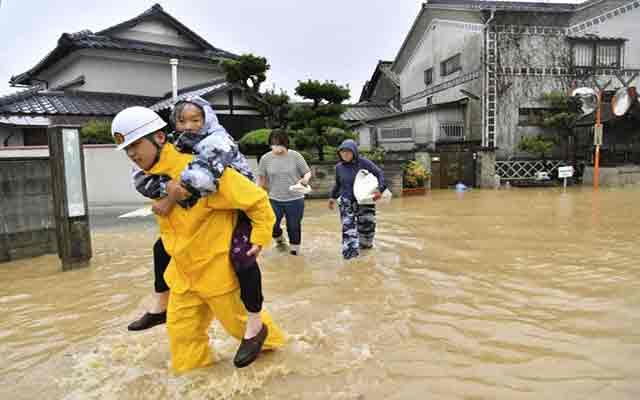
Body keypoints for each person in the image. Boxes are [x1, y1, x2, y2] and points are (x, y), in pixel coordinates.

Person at [111, 106, 285, 372]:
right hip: (183, 276)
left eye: (136, 145)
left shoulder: (203, 172)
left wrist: (259, 239)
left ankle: (284, 371)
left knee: (250, 333)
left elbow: (257, 199)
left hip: (219, 274)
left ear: (159, 138)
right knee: (182, 336)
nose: (132, 154)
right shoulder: (151, 179)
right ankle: (194, 381)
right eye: (127, 149)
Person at [256, 129, 311, 256]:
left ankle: (295, 253)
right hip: (274, 199)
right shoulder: (265, 158)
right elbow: (261, 178)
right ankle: (280, 240)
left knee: (294, 226)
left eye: (278, 143)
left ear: (285, 143)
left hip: (295, 199)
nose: (276, 146)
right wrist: (258, 194)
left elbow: (307, 172)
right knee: (271, 225)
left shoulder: (295, 156)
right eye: (273, 143)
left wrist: (305, 179)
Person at [328, 139, 385, 260]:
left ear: (354, 152)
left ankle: (366, 250)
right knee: (348, 229)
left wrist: (380, 189)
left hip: (364, 201)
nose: (345, 155)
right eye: (342, 152)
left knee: (367, 227)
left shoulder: (364, 163)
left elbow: (379, 173)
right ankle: (350, 257)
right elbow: (338, 184)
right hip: (346, 201)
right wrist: (332, 197)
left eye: (348, 152)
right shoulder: (339, 167)